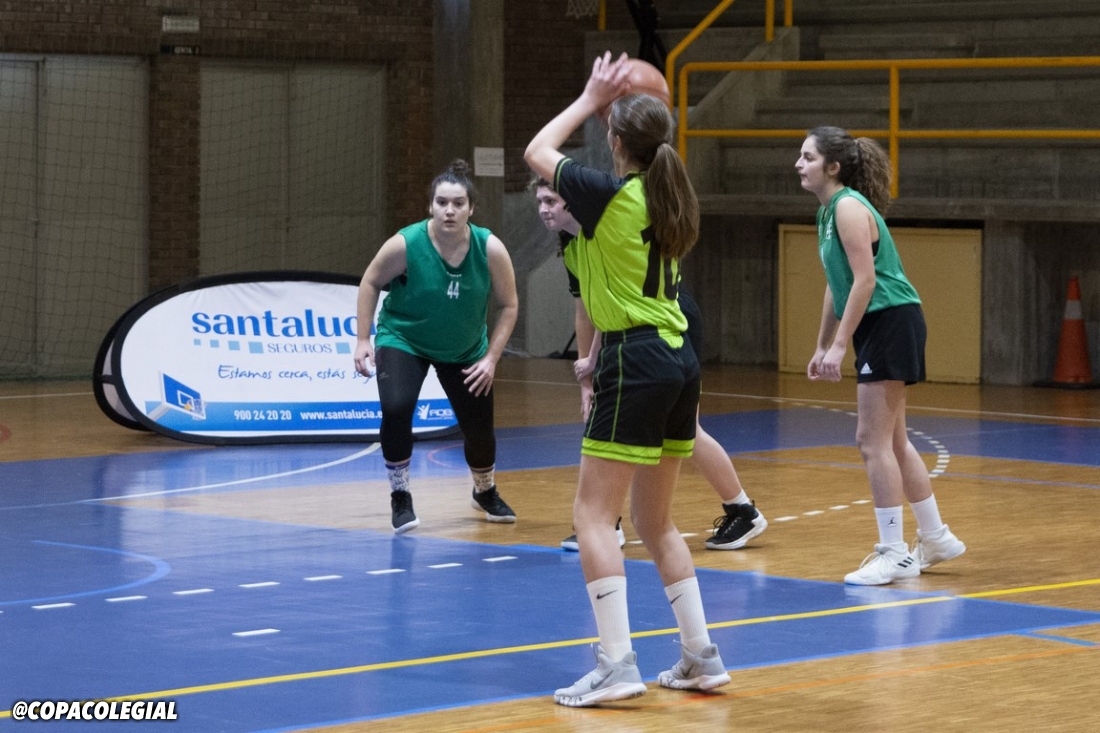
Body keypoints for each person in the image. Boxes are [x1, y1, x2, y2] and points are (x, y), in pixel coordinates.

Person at [525, 52, 731, 707]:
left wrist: (591, 97)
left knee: (593, 515)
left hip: (636, 358)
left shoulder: (611, 193)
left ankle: (616, 663)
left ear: (616, 141)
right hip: (677, 358)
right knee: (654, 519)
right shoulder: (665, 197)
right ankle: (700, 655)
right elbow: (600, 272)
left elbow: (536, 149)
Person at [540, 172, 767, 551]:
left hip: (661, 323)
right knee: (659, 428)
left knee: (676, 428)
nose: (544, 210)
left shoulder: (605, 226)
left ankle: (610, 521)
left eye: (551, 200)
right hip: (633, 328)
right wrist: (586, 372)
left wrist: (594, 359)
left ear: (573, 201)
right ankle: (739, 510)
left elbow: (615, 303)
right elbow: (588, 310)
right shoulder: (572, 245)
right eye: (539, 202)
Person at [796, 126, 966, 586]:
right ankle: (935, 536)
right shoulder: (828, 211)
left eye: (808, 157)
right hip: (882, 323)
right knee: (893, 441)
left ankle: (894, 552)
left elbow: (865, 280)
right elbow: (837, 283)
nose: (799, 164)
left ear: (833, 167)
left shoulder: (848, 207)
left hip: (890, 320)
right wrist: (822, 343)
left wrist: (839, 346)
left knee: (871, 442)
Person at [354, 159, 519, 534]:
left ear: (471, 209)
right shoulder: (406, 244)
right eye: (442, 202)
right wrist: (364, 339)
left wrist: (491, 359)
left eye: (458, 203)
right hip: (405, 338)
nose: (449, 210)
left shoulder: (489, 248)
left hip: (465, 348)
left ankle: (484, 490)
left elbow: (509, 305)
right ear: (430, 205)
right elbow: (370, 282)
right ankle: (400, 495)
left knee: (480, 432)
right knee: (396, 408)